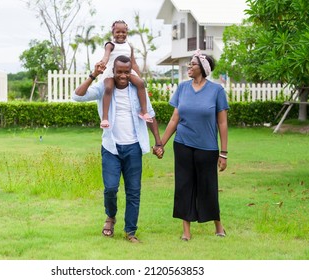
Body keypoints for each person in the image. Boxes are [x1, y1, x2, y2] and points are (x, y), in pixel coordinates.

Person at [73, 55, 163, 243]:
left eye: (126, 72)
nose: (123, 75)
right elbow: (77, 96)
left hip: (133, 148)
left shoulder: (138, 90)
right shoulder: (104, 87)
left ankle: (130, 231)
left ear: (131, 72)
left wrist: (158, 142)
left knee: (133, 191)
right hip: (111, 148)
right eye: (119, 72)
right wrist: (93, 75)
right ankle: (110, 216)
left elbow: (151, 116)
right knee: (111, 188)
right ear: (113, 71)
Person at [158, 49, 229, 241]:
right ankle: (186, 231)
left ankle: (218, 224)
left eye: (193, 64)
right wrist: (161, 143)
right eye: (189, 63)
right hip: (183, 144)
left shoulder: (216, 91)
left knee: (208, 186)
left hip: (207, 147)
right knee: (184, 186)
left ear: (203, 68)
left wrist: (223, 153)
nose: (189, 66)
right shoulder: (182, 88)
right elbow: (174, 119)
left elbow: (222, 123)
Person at [98, 20, 152, 129]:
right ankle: (104, 118)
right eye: (118, 32)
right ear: (113, 32)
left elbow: (134, 63)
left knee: (140, 83)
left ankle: (144, 111)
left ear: (127, 32)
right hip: (111, 72)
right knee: (108, 88)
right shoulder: (110, 45)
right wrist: (102, 62)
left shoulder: (129, 46)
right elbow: (106, 56)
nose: (121, 34)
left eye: (123, 32)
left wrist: (138, 76)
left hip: (127, 71)